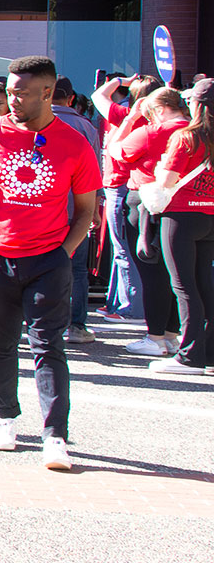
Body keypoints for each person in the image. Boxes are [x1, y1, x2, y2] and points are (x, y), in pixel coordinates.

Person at [0, 56, 100, 470]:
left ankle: (55, 435)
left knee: (48, 347)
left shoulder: (74, 142)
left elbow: (86, 210)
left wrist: (64, 252)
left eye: (21, 92)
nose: (12, 99)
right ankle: (4, 418)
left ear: (46, 93)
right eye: (10, 91)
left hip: (48, 258)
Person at [111, 85, 188, 357]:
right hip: (185, 207)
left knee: (151, 272)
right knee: (176, 276)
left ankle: (155, 337)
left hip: (146, 204)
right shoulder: (195, 131)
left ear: (157, 110)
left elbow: (115, 150)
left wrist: (131, 118)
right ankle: (170, 335)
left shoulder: (150, 131)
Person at [152, 80, 214, 376]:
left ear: (196, 104)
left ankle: (189, 357)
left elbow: (166, 180)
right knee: (205, 285)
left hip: (181, 216)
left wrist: (160, 167)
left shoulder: (186, 137)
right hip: (210, 215)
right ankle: (210, 354)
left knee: (184, 287)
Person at [52, 77, 104, 343]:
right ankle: (76, 325)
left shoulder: (34, 124)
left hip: (44, 212)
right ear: (71, 99)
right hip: (79, 209)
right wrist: (95, 209)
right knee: (78, 270)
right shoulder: (85, 126)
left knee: (43, 267)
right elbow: (96, 171)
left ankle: (45, 323)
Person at [92, 74, 145, 322]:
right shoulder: (147, 119)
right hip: (129, 186)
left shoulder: (127, 115)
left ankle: (130, 306)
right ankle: (116, 302)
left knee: (123, 249)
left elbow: (97, 96)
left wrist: (121, 81)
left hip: (120, 186)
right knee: (124, 249)